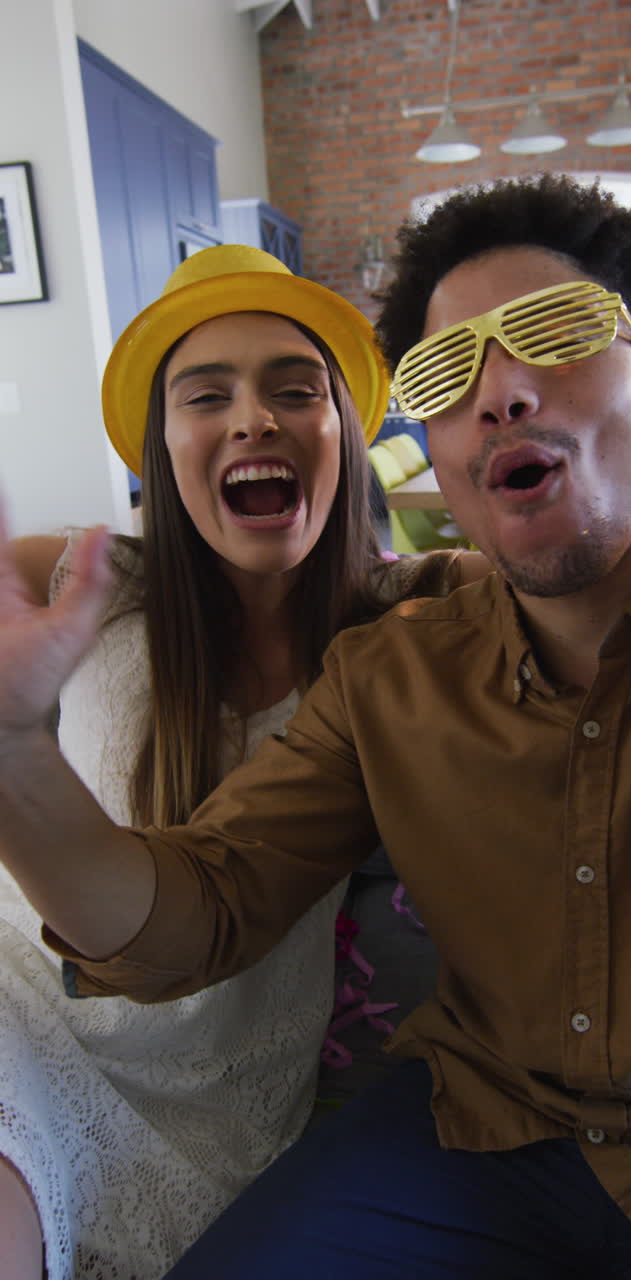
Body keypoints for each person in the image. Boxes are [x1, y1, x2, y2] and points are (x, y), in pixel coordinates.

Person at [0, 174, 631, 1277]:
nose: (504, 391)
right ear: (432, 454)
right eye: (450, 373)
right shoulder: (387, 673)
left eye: (555, 331)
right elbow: (204, 903)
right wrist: (13, 757)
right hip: (483, 1125)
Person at [0, 242, 478, 1280]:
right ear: (162, 447)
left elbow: (591, 576)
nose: (253, 418)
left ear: (344, 433)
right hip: (21, 1007)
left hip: (228, 1093)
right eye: (205, 394)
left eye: (294, 389)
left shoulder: (409, 618)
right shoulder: (95, 580)